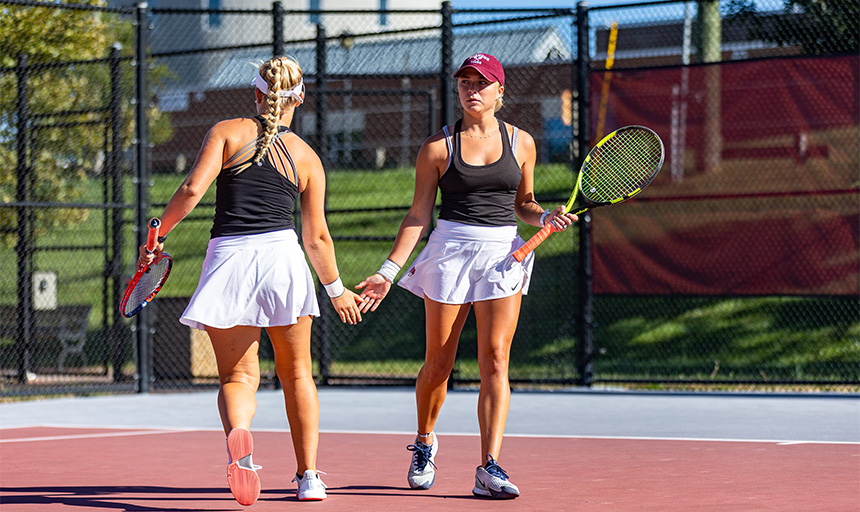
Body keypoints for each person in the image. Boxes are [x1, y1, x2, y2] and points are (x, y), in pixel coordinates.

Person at [137, 56, 365, 505]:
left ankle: (240, 438)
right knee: (298, 374)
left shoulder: (226, 132)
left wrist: (155, 238)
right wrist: (337, 290)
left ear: (257, 94)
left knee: (238, 377)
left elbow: (189, 191)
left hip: (229, 259)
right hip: (283, 259)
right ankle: (310, 477)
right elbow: (316, 237)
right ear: (300, 98)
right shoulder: (307, 157)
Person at [356, 53, 578, 499]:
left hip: (502, 254)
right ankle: (424, 442)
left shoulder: (523, 143)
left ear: (500, 91)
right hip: (450, 251)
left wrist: (543, 217)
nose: (471, 90)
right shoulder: (437, 148)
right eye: (464, 82)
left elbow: (524, 203)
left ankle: (488, 466)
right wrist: (387, 270)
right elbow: (419, 215)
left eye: (481, 83)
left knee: (495, 359)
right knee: (439, 362)